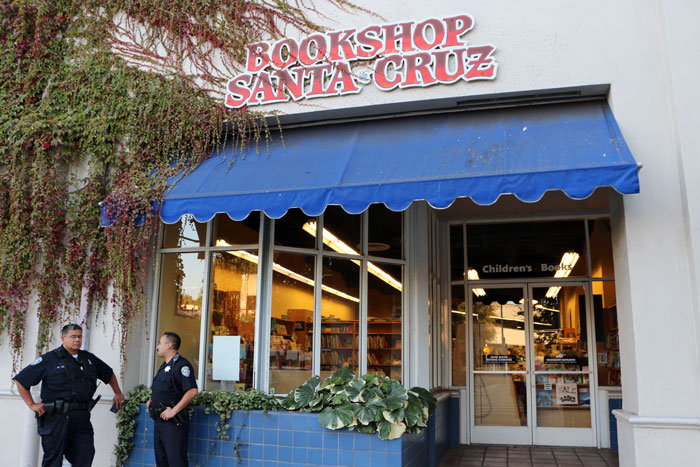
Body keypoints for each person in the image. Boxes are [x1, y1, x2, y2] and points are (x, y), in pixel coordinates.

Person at [13, 323, 125, 467]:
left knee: (85, 455)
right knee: (54, 459)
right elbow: (21, 380)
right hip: (56, 417)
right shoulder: (49, 359)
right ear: (63, 338)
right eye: (73, 336)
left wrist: (117, 393)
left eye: (79, 336)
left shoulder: (88, 359)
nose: (77, 340)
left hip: (82, 417)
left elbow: (108, 373)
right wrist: (31, 404)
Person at [147, 332, 198, 467]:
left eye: (160, 343)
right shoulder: (164, 366)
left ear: (168, 345)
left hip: (173, 424)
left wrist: (173, 411)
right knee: (162, 461)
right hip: (160, 421)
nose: (157, 346)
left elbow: (192, 390)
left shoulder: (181, 365)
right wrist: (152, 401)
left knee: (176, 462)